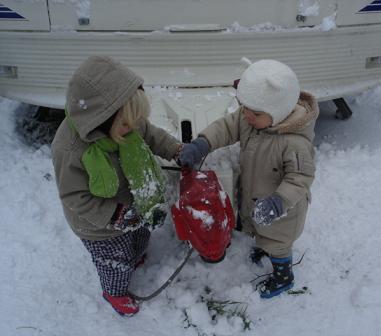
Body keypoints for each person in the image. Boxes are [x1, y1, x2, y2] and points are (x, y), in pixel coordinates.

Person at [51, 56, 182, 316]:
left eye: (136, 121)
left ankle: (136, 253)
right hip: (98, 225)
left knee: (139, 235)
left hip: (135, 200)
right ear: (99, 120)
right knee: (116, 260)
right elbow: (73, 196)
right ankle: (114, 291)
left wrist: (175, 149)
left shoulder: (125, 120)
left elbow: (151, 134)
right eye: (127, 124)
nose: (134, 128)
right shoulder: (70, 149)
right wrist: (114, 215)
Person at [179, 59, 319, 298]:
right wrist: (204, 143)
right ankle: (265, 248)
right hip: (256, 199)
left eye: (254, 113)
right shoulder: (254, 117)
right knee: (261, 233)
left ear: (279, 112)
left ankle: (283, 277)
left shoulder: (294, 143)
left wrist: (278, 202)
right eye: (244, 108)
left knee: (278, 244)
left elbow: (300, 178)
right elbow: (226, 126)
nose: (246, 116)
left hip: (282, 212)